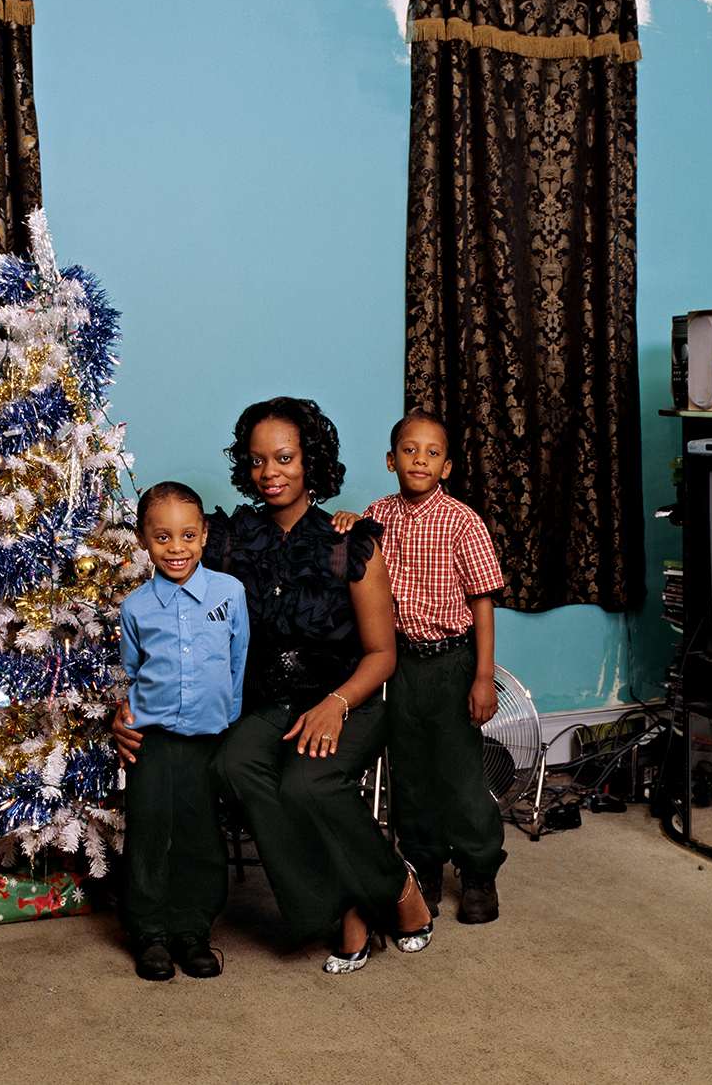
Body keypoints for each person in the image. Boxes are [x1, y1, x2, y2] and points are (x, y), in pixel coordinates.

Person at [112, 397, 433, 974]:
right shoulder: (230, 540)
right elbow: (175, 622)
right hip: (269, 702)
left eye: (284, 457)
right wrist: (131, 706)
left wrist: (335, 705)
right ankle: (343, 901)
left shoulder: (349, 542)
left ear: (310, 460)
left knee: (308, 784)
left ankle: (390, 888)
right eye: (258, 460)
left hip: (348, 698)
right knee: (231, 766)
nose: (270, 472)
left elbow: (384, 655)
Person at [359, 410, 508, 923]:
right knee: (412, 772)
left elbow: (483, 603)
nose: (420, 459)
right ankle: (422, 865)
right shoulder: (376, 515)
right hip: (399, 664)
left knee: (459, 772)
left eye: (432, 452)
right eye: (409, 449)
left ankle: (478, 871)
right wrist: (344, 525)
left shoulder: (462, 520)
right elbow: (353, 560)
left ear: (446, 467)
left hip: (452, 662)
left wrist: (483, 677)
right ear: (390, 459)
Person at [118, 481, 249, 981]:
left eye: (188, 535)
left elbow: (237, 662)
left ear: (204, 535)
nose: (177, 548)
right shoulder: (136, 607)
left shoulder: (228, 593)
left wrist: (228, 721)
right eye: (163, 538)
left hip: (208, 737)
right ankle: (149, 931)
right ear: (143, 540)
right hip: (152, 740)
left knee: (199, 834)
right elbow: (132, 670)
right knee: (149, 831)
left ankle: (194, 930)